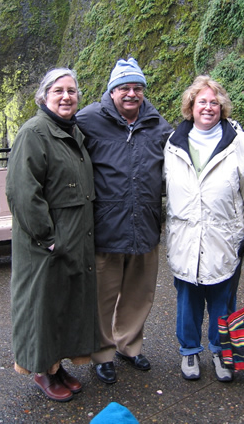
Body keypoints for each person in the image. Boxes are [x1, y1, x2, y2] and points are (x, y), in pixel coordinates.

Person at [163, 75, 244, 383]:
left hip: (225, 240)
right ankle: (189, 351)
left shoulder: (239, 144)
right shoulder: (173, 144)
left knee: (223, 302)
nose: (207, 107)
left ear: (221, 107)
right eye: (201, 102)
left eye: (214, 102)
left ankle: (222, 351)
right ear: (190, 107)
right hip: (185, 239)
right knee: (187, 303)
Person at [76, 57, 173, 384]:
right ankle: (102, 353)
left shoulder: (159, 125)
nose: (131, 94)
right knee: (103, 295)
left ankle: (128, 346)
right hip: (106, 226)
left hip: (145, 224)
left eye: (137, 88)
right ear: (112, 91)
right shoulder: (88, 120)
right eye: (124, 88)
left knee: (139, 293)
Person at [5, 68, 99, 402]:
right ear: (45, 95)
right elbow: (22, 192)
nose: (66, 96)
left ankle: (57, 367)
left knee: (62, 306)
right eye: (58, 90)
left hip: (71, 241)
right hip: (44, 246)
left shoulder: (72, 132)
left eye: (72, 91)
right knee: (42, 309)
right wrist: (48, 237)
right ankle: (42, 371)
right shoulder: (34, 132)